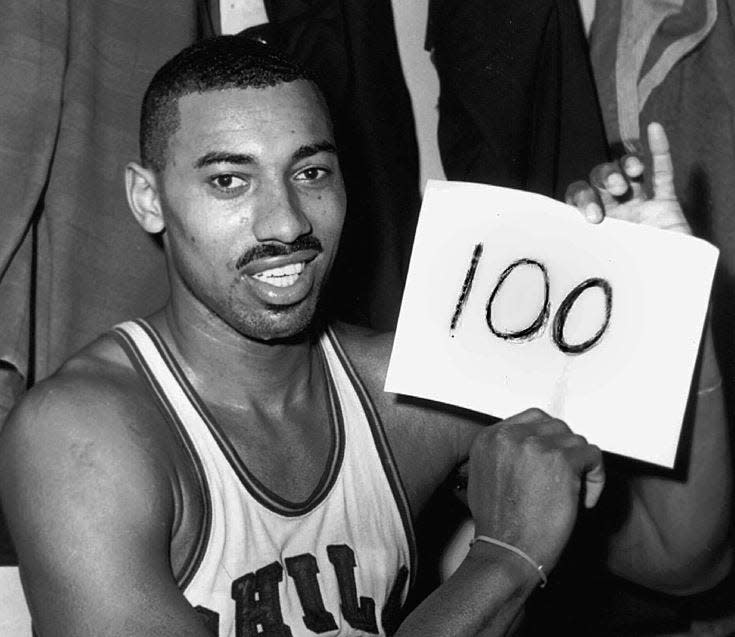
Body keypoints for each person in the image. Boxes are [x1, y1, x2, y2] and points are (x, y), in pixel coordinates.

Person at [0, 36, 729, 637]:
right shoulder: (82, 437)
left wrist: (667, 304)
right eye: (229, 181)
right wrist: (503, 560)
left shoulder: (405, 386)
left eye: (310, 171)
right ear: (148, 198)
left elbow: (681, 558)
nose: (285, 224)